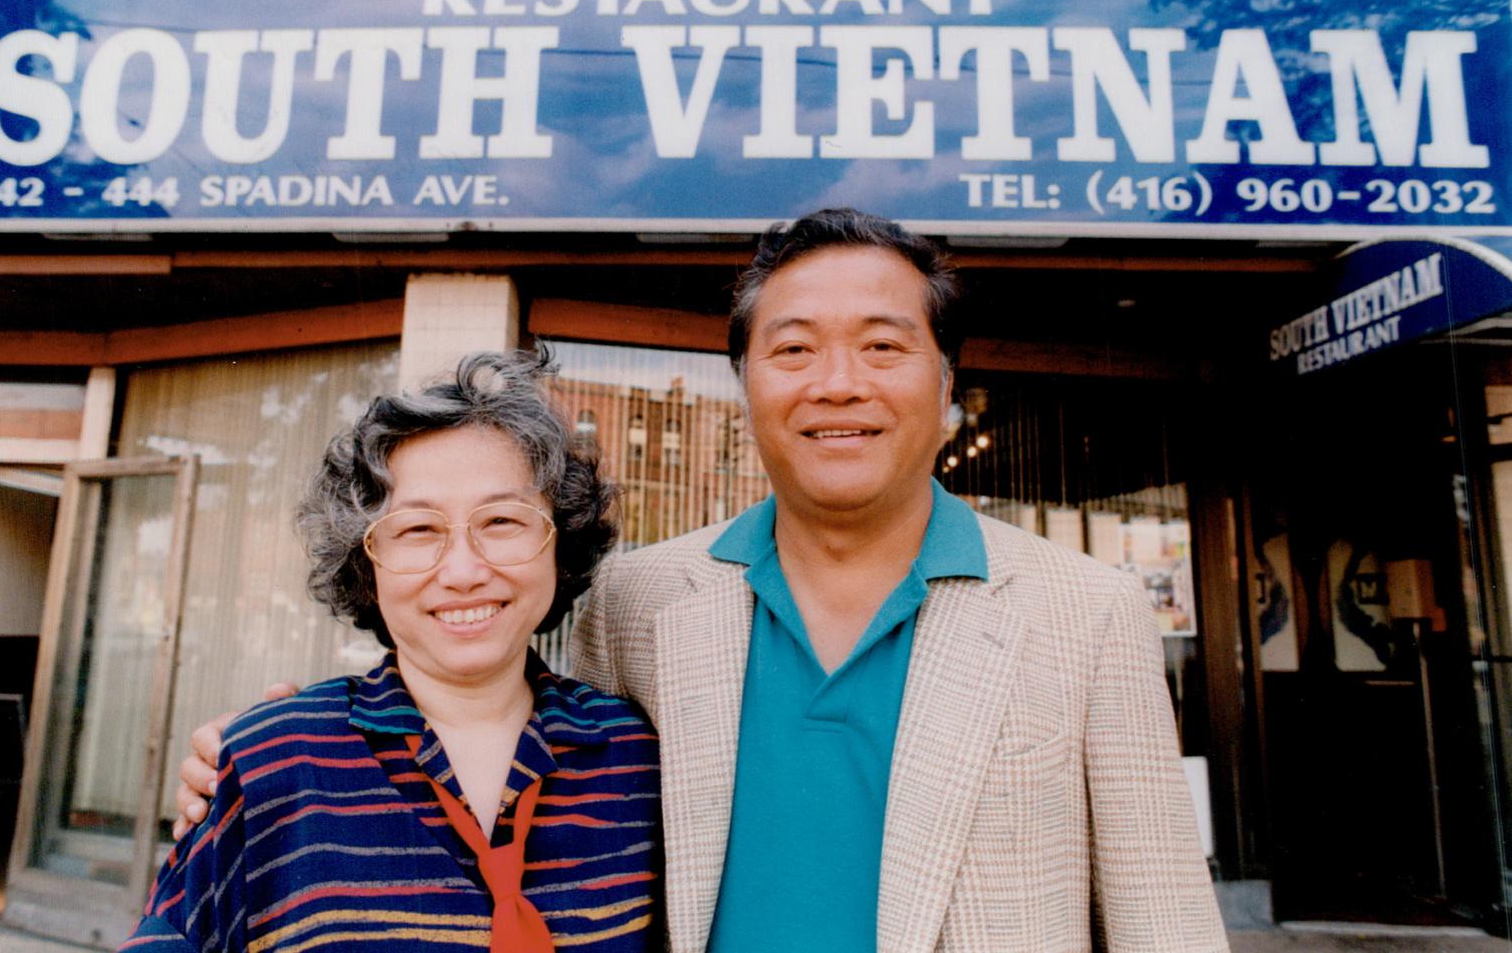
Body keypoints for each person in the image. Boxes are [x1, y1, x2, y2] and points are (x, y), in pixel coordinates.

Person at [178, 210, 1227, 952]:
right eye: (794, 348)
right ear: (746, 385)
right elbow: (504, 725)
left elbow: (1166, 924)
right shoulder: (642, 602)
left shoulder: (1083, 613)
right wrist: (282, 743)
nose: (838, 384)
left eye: (882, 346)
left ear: (949, 385)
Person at [129, 350, 660, 953]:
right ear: (365, 563)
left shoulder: (638, 759)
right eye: (417, 530)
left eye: (503, 521)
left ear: (559, 542)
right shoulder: (271, 760)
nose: (464, 571)